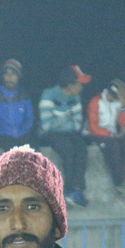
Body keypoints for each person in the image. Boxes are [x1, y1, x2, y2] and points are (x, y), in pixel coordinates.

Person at [38, 66, 90, 208]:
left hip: (68, 132)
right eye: (80, 84)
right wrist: (67, 117)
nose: (82, 87)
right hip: (49, 134)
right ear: (70, 85)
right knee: (68, 150)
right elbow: (47, 125)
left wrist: (60, 119)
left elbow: (77, 124)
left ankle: (78, 190)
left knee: (81, 148)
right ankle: (67, 191)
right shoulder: (49, 94)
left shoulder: (75, 97)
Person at [86, 79, 125, 195]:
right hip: (95, 134)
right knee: (113, 146)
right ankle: (118, 182)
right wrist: (111, 134)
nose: (116, 99)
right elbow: (93, 127)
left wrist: (123, 106)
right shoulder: (96, 101)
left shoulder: (119, 102)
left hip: (112, 134)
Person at [0, 59, 34, 151]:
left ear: (19, 77)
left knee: (34, 152)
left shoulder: (24, 95)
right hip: (0, 136)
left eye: (13, 74)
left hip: (21, 135)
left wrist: (20, 132)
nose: (9, 77)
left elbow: (29, 118)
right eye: (6, 73)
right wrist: (2, 131)